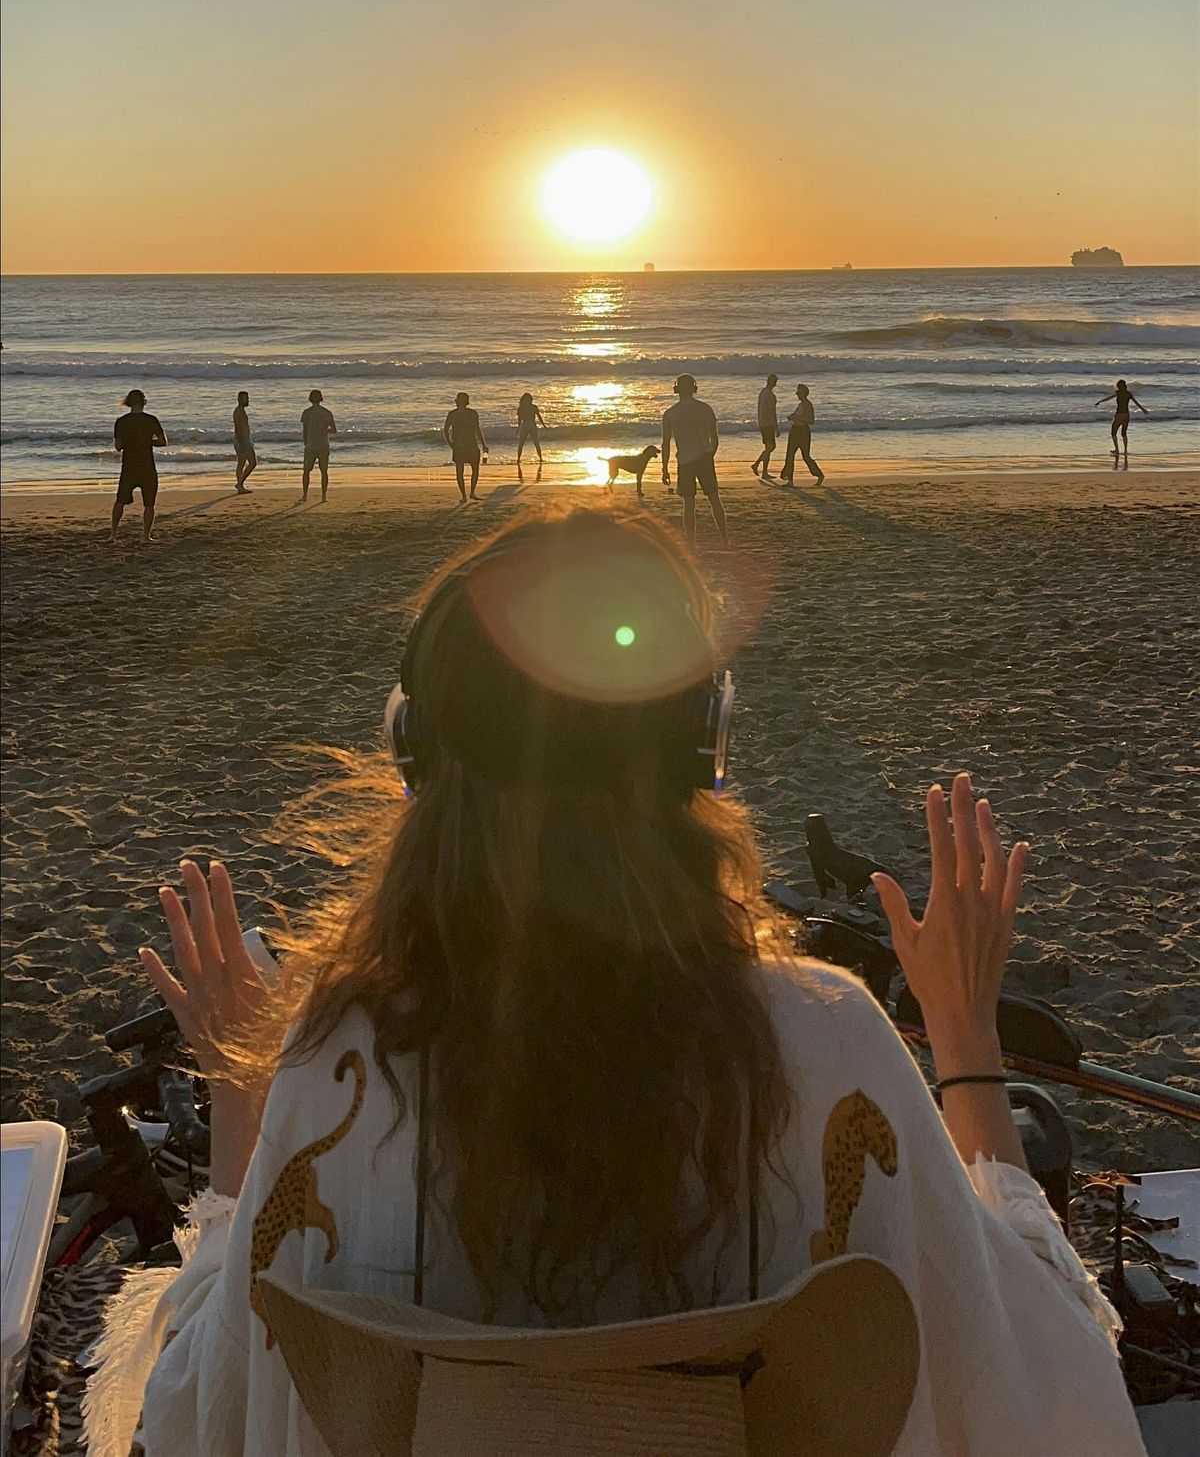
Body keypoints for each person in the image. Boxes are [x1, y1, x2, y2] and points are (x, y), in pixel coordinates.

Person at [97, 508, 1141, 1457]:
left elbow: (201, 1406)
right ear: (707, 743)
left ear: (412, 749)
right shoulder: (829, 1038)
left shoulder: (342, 1060)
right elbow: (1050, 1387)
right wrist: (965, 1044)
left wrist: (242, 1103)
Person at [661, 374, 727, 543]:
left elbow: (666, 444)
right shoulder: (706, 408)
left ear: (676, 389)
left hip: (685, 461)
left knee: (689, 505)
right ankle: (724, 538)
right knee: (714, 499)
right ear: (694, 388)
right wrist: (709, 455)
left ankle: (691, 543)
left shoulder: (670, 413)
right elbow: (715, 439)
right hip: (704, 458)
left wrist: (665, 468)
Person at [111, 389, 167, 544]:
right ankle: (145, 536)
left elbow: (118, 447)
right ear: (144, 403)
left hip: (129, 466)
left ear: (129, 403)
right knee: (149, 504)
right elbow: (163, 442)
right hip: (147, 466)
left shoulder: (121, 422)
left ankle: (113, 535)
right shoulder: (151, 420)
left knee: (120, 501)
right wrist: (149, 442)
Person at [444, 391, 488, 500]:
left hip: (463, 446)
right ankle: (470, 493)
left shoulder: (454, 414)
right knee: (473, 470)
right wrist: (483, 444)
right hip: (467, 445)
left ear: (457, 401)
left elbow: (445, 430)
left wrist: (450, 443)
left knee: (461, 471)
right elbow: (477, 430)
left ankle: (465, 495)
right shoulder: (470, 413)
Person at [780, 381, 824, 487]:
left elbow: (811, 420)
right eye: (797, 394)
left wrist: (797, 418)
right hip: (795, 430)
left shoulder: (808, 405)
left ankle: (819, 475)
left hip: (803, 431)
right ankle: (789, 479)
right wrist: (792, 417)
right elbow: (796, 416)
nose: (798, 396)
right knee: (789, 455)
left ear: (804, 394)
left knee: (806, 456)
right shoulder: (800, 405)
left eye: (799, 394)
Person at [1095, 378, 1147, 466]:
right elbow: (1137, 403)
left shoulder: (1118, 393)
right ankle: (1125, 450)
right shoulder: (1128, 394)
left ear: (1119, 386)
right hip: (1126, 415)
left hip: (1119, 414)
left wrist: (1099, 401)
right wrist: (1143, 410)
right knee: (1124, 433)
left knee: (1113, 433)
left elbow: (1108, 398)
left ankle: (1117, 450)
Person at [301, 390, 336, 502]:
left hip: (310, 445)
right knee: (324, 471)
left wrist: (306, 443)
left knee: (306, 471)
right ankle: (323, 496)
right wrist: (324, 429)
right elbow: (334, 430)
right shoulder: (326, 412)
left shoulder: (306, 412)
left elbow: (305, 431)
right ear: (321, 399)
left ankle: (305, 495)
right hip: (323, 445)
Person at [751, 372, 779, 478]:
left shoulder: (762, 392)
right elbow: (772, 411)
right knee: (770, 447)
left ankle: (763, 470)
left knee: (769, 447)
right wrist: (776, 427)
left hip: (763, 422)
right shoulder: (770, 395)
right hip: (768, 423)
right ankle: (758, 466)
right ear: (774, 383)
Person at [515, 391, 546, 475]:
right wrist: (518, 429)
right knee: (523, 443)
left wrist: (543, 425)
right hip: (527, 424)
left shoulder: (530, 407)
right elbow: (519, 420)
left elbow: (539, 416)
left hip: (529, 424)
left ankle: (540, 458)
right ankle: (518, 459)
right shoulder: (523, 408)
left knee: (534, 442)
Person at [234, 392, 257, 494]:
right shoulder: (239, 412)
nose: (248, 400)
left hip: (242, 438)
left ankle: (240, 486)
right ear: (239, 399)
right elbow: (238, 428)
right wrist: (242, 441)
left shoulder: (240, 411)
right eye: (245, 399)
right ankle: (240, 484)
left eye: (248, 398)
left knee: (241, 462)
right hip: (243, 439)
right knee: (253, 462)